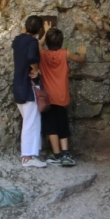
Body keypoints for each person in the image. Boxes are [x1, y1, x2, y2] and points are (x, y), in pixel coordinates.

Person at [39, 22, 87, 166]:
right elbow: (80, 60)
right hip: (61, 96)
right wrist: (83, 52)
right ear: (62, 41)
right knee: (62, 124)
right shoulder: (65, 53)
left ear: (47, 42)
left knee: (50, 126)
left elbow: (38, 46)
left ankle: (56, 154)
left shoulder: (42, 54)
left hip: (47, 97)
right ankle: (66, 153)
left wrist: (45, 32)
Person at [12, 15, 46, 167]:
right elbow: (32, 56)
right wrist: (36, 70)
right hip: (28, 84)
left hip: (18, 84)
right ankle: (27, 156)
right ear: (39, 30)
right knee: (30, 121)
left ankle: (32, 152)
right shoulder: (32, 42)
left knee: (29, 119)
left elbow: (26, 45)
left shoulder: (17, 40)